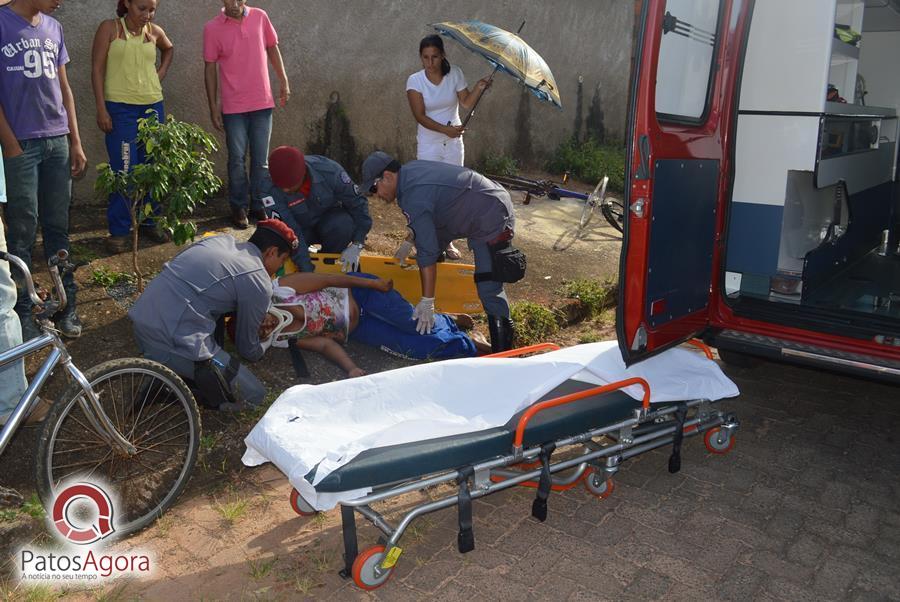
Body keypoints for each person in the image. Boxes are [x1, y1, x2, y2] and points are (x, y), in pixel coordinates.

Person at [362, 151, 524, 352]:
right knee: (428, 247)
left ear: (387, 176)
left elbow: (427, 246)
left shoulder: (412, 194)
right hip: (466, 208)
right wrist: (410, 240)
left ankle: (503, 354)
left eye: (373, 188)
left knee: (488, 284)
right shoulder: (409, 173)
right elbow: (428, 215)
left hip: (490, 212)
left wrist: (427, 301)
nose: (375, 195)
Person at [128, 220, 296, 411]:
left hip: (141, 320)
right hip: (168, 341)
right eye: (282, 260)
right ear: (272, 252)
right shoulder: (258, 279)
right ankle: (167, 390)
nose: (280, 267)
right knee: (255, 396)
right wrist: (269, 338)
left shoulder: (218, 240)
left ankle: (182, 370)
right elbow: (248, 350)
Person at [0, 0, 88, 341]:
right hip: (20, 145)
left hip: (57, 142)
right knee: (22, 231)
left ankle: (68, 305)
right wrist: (9, 143)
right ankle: (23, 312)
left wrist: (75, 140)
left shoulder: (54, 27)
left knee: (58, 227)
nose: (60, 1)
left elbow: (64, 89)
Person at [263, 271, 487, 378]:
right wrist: (350, 368)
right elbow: (323, 345)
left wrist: (374, 283)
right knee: (417, 349)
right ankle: (468, 342)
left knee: (413, 324)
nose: (265, 327)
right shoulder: (282, 340)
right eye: (261, 333)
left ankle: (446, 319)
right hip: (359, 329)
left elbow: (330, 279)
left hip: (361, 293)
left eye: (259, 322)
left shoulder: (280, 291)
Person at [91, 0, 174, 253]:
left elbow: (169, 49)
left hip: (152, 107)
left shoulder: (154, 31)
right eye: (141, 9)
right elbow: (96, 69)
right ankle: (118, 230)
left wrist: (158, 74)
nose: (147, 15)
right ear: (126, 3)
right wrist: (102, 108)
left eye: (152, 10)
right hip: (120, 109)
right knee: (125, 169)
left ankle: (150, 221)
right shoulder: (110, 28)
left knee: (151, 168)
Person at [203, 0, 290, 230]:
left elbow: (272, 47)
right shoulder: (212, 28)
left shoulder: (260, 17)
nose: (233, 3)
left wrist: (283, 80)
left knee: (261, 161)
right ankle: (238, 206)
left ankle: (259, 203)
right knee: (237, 160)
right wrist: (213, 106)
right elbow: (209, 67)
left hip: (262, 102)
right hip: (233, 106)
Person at [406, 34, 490, 260]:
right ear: (421, 58)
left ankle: (447, 241)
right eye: (425, 57)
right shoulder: (415, 81)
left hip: (453, 142)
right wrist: (446, 129)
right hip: (429, 142)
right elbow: (420, 116)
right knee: (427, 192)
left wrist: (479, 87)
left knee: (453, 192)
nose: (430, 62)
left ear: (442, 55)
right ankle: (421, 239)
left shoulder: (455, 74)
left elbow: (465, 103)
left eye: (434, 57)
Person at [261, 146, 372, 274]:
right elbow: (288, 230)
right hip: (299, 231)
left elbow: (357, 204)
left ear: (303, 173)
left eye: (290, 185)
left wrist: (358, 242)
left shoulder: (329, 171)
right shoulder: (268, 188)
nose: (285, 190)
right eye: (282, 187)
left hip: (329, 225)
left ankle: (329, 263)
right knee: (271, 238)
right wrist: (307, 269)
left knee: (344, 224)